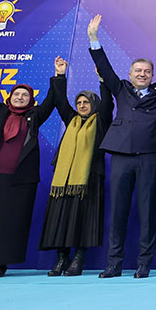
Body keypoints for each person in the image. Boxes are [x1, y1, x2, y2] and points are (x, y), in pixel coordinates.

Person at [89, 15, 156, 279]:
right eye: (138, 71)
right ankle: (114, 263)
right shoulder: (120, 88)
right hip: (122, 155)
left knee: (146, 212)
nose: (142, 74)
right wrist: (94, 39)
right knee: (118, 212)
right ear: (130, 74)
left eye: (147, 71)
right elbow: (104, 67)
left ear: (152, 75)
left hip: (150, 155)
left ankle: (144, 264)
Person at [0, 61, 63, 277]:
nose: (20, 97)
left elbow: (52, 99)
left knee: (8, 223)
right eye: (16, 94)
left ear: (31, 100)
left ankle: (0, 264)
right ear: (9, 97)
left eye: (25, 95)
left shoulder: (35, 116)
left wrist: (58, 75)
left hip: (19, 181)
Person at [40, 75, 112, 277]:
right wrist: (60, 76)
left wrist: (103, 81)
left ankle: (78, 259)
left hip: (89, 180)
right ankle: (62, 259)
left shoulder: (101, 121)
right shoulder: (71, 119)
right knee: (61, 219)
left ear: (94, 104)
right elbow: (60, 100)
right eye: (79, 102)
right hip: (63, 181)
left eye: (86, 102)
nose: (82, 106)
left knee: (84, 220)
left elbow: (108, 103)